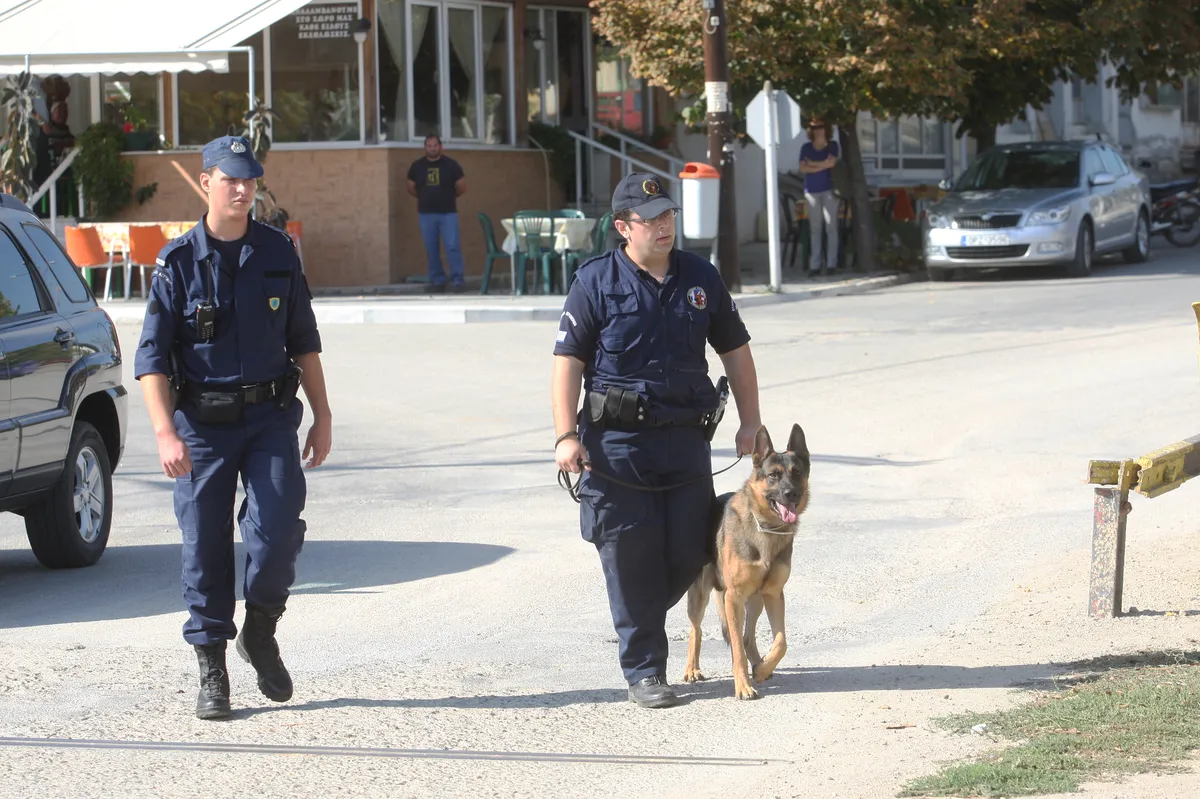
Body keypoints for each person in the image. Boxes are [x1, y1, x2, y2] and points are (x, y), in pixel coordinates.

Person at [133, 135, 333, 720]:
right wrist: (164, 433)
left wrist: (323, 415)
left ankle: (261, 632)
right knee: (204, 545)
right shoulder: (177, 264)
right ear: (206, 184)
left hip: (270, 416)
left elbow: (304, 340)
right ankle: (212, 667)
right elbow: (151, 359)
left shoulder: (278, 253)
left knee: (275, 532)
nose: (243, 190)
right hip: (201, 425)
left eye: (249, 179)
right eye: (230, 180)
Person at [551, 173, 763, 709]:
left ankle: (646, 622)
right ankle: (645, 669)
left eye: (669, 215)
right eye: (651, 219)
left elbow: (735, 351)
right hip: (617, 446)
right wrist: (565, 435)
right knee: (628, 555)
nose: (665, 226)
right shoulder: (595, 282)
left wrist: (750, 421)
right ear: (624, 227)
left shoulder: (699, 276)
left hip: (686, 442)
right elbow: (568, 362)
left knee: (691, 549)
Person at [407, 134, 467, 293]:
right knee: (431, 248)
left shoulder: (452, 165)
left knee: (452, 246)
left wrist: (449, 196)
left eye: (435, 145)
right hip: (426, 214)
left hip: (448, 213)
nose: (432, 148)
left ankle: (457, 281)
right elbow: (411, 187)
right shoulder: (417, 166)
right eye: (429, 145)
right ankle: (437, 281)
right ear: (425, 147)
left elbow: (461, 187)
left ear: (441, 147)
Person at [798, 119, 841, 276]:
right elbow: (803, 168)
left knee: (831, 226)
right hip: (811, 191)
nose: (818, 130)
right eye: (814, 127)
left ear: (826, 128)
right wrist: (823, 164)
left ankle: (831, 264)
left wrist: (813, 165)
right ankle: (815, 265)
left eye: (821, 126)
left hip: (830, 190)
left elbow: (832, 164)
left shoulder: (832, 146)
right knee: (815, 228)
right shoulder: (806, 148)